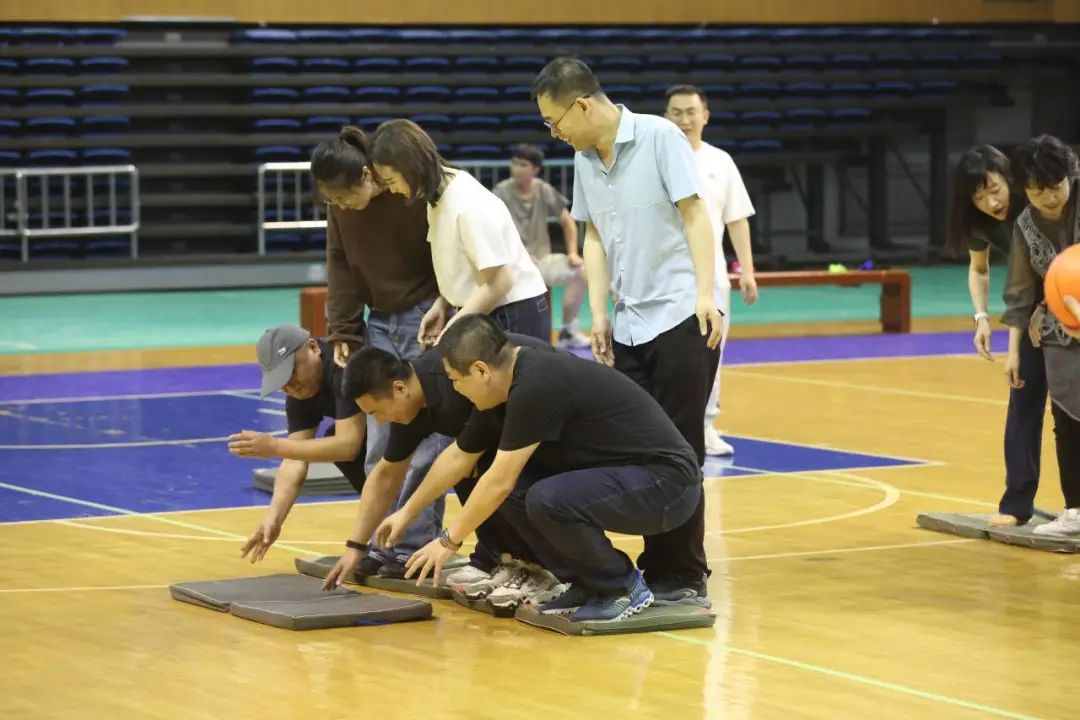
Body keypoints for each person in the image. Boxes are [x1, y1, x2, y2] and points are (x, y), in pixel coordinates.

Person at [531, 57, 723, 605]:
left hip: (682, 316)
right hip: (629, 323)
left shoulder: (660, 137)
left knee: (680, 450)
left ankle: (682, 572)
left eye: (554, 121)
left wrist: (704, 293)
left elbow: (695, 214)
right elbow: (593, 237)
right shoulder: (585, 159)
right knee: (639, 450)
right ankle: (648, 567)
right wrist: (597, 314)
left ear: (581, 105)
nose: (554, 133)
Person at [387, 315, 703, 622]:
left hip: (667, 484)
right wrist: (406, 512)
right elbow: (460, 457)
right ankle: (587, 581)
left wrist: (448, 541)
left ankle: (620, 586)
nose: (455, 389)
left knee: (545, 499)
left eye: (456, 379)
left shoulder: (536, 384)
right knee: (520, 491)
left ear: (481, 370)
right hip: (633, 478)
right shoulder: (504, 385)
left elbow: (499, 482)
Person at [322, 334, 564, 607]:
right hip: (522, 422)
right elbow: (385, 476)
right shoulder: (410, 404)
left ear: (399, 388)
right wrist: (356, 546)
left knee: (490, 472)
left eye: (376, 412)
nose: (379, 421)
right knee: (467, 469)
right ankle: (510, 560)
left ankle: (546, 568)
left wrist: (443, 538)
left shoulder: (455, 381)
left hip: (558, 417)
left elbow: (474, 460)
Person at [228, 324, 439, 574]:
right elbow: (294, 458)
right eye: (281, 381)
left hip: (416, 425)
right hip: (389, 433)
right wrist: (274, 519)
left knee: (378, 451)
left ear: (313, 347)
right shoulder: (299, 393)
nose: (290, 386)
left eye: (292, 372)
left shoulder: (343, 364)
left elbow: (348, 445)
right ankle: (385, 542)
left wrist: (274, 446)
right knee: (335, 443)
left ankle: (411, 545)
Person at [369, 119, 550, 344]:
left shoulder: (467, 203)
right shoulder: (437, 196)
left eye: (391, 181)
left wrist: (454, 327)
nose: (393, 190)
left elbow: (500, 282)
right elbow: (461, 267)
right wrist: (443, 304)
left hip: (513, 311)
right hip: (489, 308)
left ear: (411, 167)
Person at [947, 144, 1045, 527]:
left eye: (994, 189)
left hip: (1067, 299)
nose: (991, 202)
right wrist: (981, 317)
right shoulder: (980, 222)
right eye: (979, 197)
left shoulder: (1038, 198)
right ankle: (1016, 505)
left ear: (1010, 179)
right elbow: (979, 268)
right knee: (1023, 402)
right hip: (1028, 310)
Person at [665, 84, 759, 456]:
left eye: (691, 112)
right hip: (662, 278)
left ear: (705, 116)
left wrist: (747, 270)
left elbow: (737, 218)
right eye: (676, 112)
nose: (684, 120)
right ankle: (661, 428)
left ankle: (705, 426)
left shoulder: (721, 162)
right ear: (666, 117)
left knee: (711, 353)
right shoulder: (655, 160)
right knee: (665, 356)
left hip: (713, 278)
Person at [1003, 134, 1080, 536]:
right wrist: (1013, 352)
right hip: (1058, 334)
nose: (1049, 198)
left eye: (1055, 187)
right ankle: (1074, 510)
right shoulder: (1025, 225)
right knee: (1065, 416)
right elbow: (1019, 292)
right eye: (1037, 191)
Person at [492, 144, 590, 349]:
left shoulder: (543, 189)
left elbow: (567, 220)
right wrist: (519, 254)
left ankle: (567, 330)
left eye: (523, 165)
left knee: (581, 272)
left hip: (542, 261)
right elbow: (493, 228)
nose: (516, 168)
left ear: (535, 169)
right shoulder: (501, 191)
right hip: (513, 263)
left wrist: (573, 253)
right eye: (514, 163)